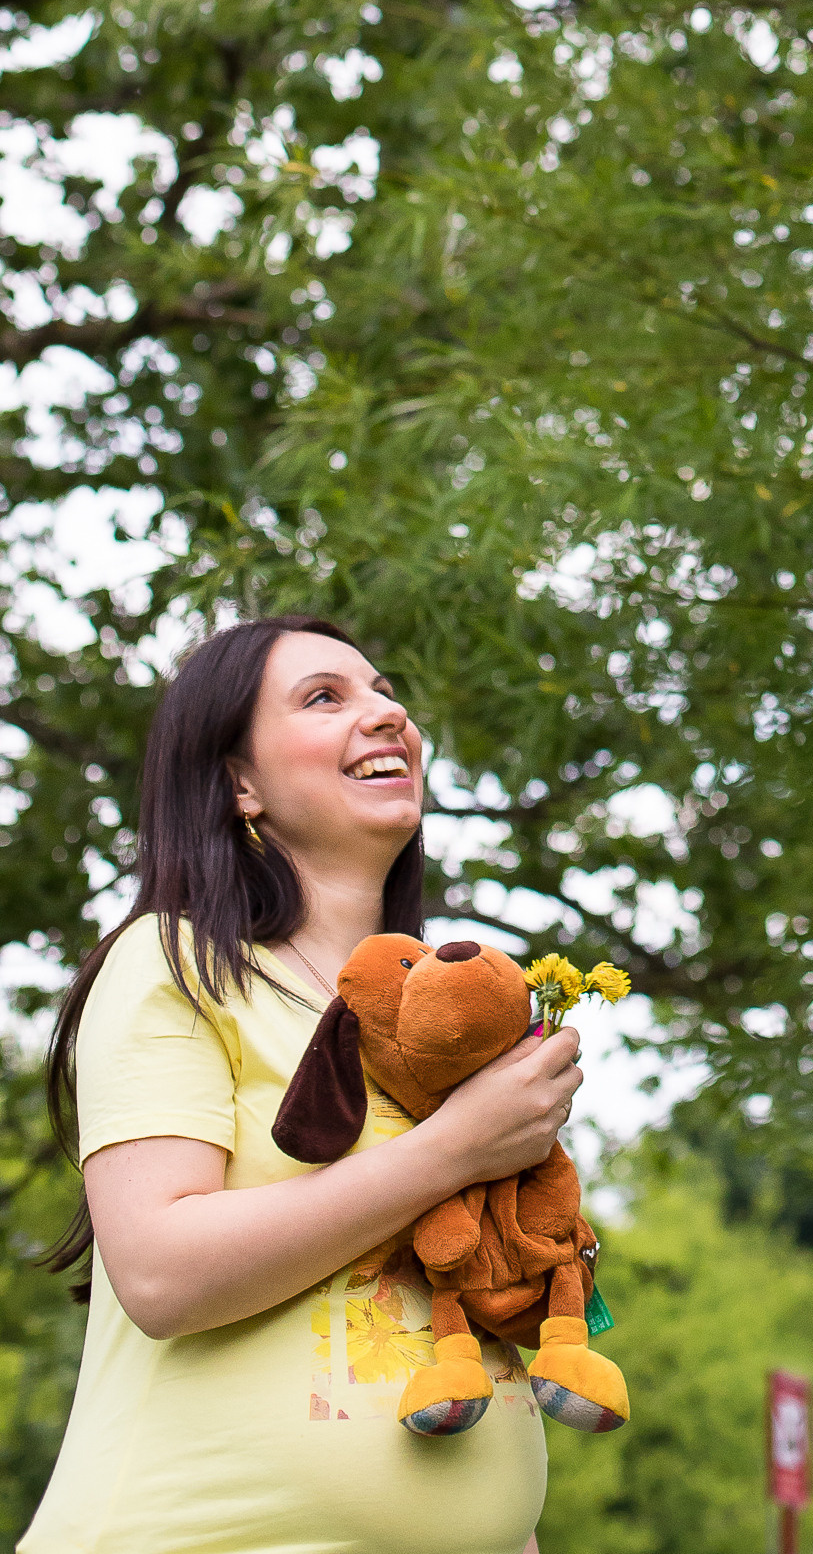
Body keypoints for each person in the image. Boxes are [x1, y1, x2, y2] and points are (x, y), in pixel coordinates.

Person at [23, 614, 578, 1554]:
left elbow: (474, 1324)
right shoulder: (175, 962)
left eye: (386, 692)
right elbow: (160, 1271)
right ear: (241, 784)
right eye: (326, 698)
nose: (385, 715)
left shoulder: (442, 1036)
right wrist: (453, 1151)